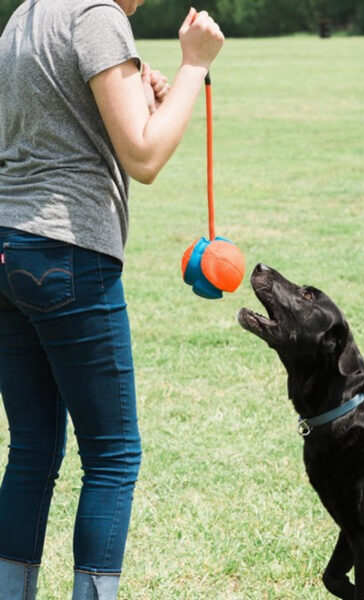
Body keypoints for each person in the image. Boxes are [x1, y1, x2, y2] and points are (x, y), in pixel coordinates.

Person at [0, 1, 224, 598]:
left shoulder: (29, 12)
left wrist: (143, 88)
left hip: (8, 247)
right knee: (113, 455)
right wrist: (193, 67)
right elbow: (144, 157)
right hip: (67, 252)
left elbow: (58, 117)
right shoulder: (98, 15)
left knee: (32, 449)